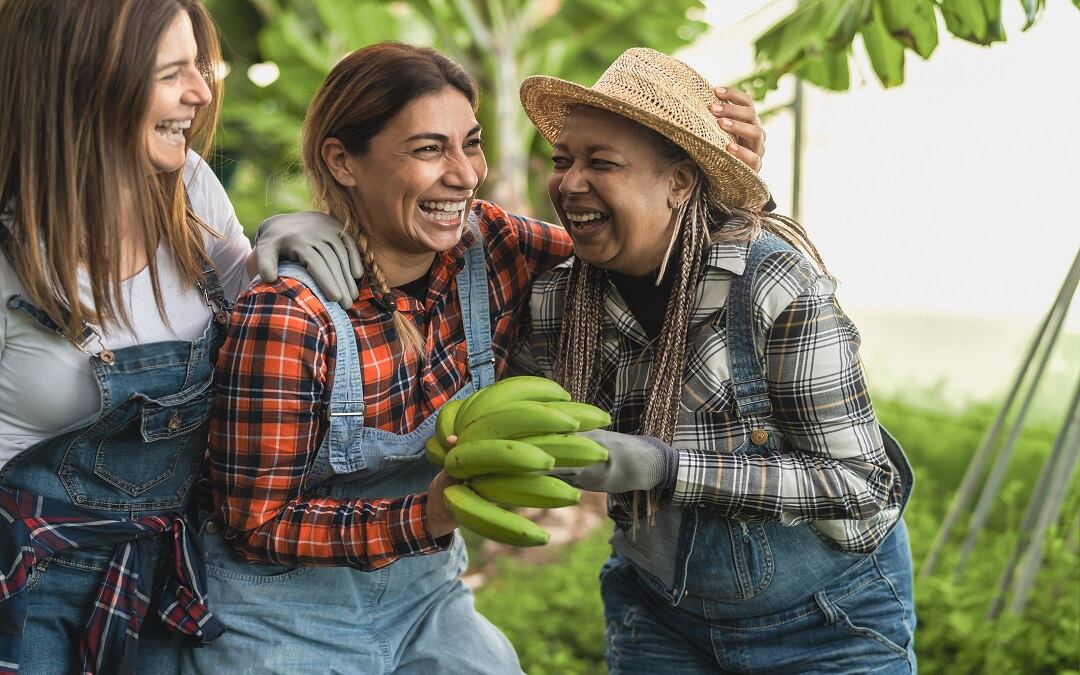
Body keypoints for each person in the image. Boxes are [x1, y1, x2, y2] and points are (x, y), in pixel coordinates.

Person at [189, 42, 769, 674]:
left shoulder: (491, 247)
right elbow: (255, 525)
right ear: (342, 161)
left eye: (470, 143)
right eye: (428, 149)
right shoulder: (288, 316)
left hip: (427, 598)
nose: (464, 174)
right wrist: (429, 514)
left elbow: (641, 249)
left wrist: (720, 187)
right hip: (280, 615)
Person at [515, 48, 916, 674]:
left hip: (827, 620)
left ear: (678, 183)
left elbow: (861, 483)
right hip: (659, 616)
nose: (569, 183)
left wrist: (663, 468)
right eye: (563, 161)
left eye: (602, 163)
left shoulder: (767, 281)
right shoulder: (556, 302)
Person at [0, 2, 360, 672]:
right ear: (84, 79)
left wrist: (282, 255)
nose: (200, 92)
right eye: (173, 73)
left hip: (165, 581)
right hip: (25, 591)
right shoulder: (10, 245)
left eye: (199, 67)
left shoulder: (189, 188)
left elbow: (268, 347)